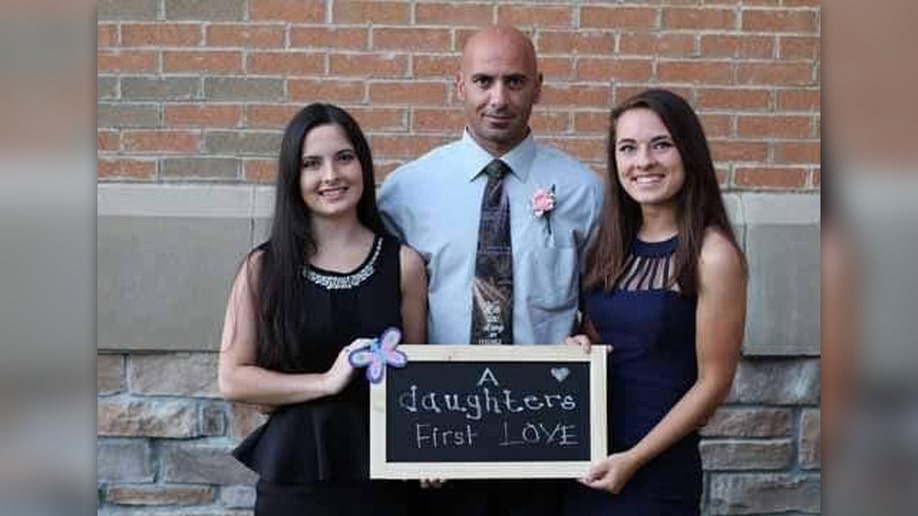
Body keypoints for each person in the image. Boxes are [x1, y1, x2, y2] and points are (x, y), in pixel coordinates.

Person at [378, 24, 603, 516]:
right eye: (483, 81)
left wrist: (586, 339)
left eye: (515, 82)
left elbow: (602, 303)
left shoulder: (584, 193)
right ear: (459, 85)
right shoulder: (405, 192)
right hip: (441, 435)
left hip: (544, 434)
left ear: (538, 86)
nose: (498, 98)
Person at [217, 103, 428, 516]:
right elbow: (233, 378)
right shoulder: (263, 268)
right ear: (294, 178)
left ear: (363, 164)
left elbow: (413, 384)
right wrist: (326, 382)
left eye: (344, 158)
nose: (331, 176)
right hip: (294, 482)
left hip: (382, 483)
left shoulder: (404, 265)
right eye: (312, 163)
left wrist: (427, 455)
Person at [563, 89, 747, 515]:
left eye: (660, 145)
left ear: (689, 152)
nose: (642, 161)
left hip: (655, 473)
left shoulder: (712, 255)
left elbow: (713, 382)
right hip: (589, 462)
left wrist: (634, 459)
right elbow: (601, 337)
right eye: (628, 148)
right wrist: (577, 345)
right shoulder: (609, 247)